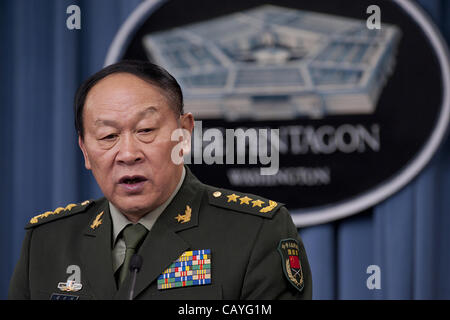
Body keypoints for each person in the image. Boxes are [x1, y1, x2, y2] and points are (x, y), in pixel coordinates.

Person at [8, 60, 312, 300]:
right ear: (85, 150)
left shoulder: (255, 232)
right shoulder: (48, 241)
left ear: (184, 133)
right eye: (108, 136)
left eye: (146, 131)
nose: (128, 153)